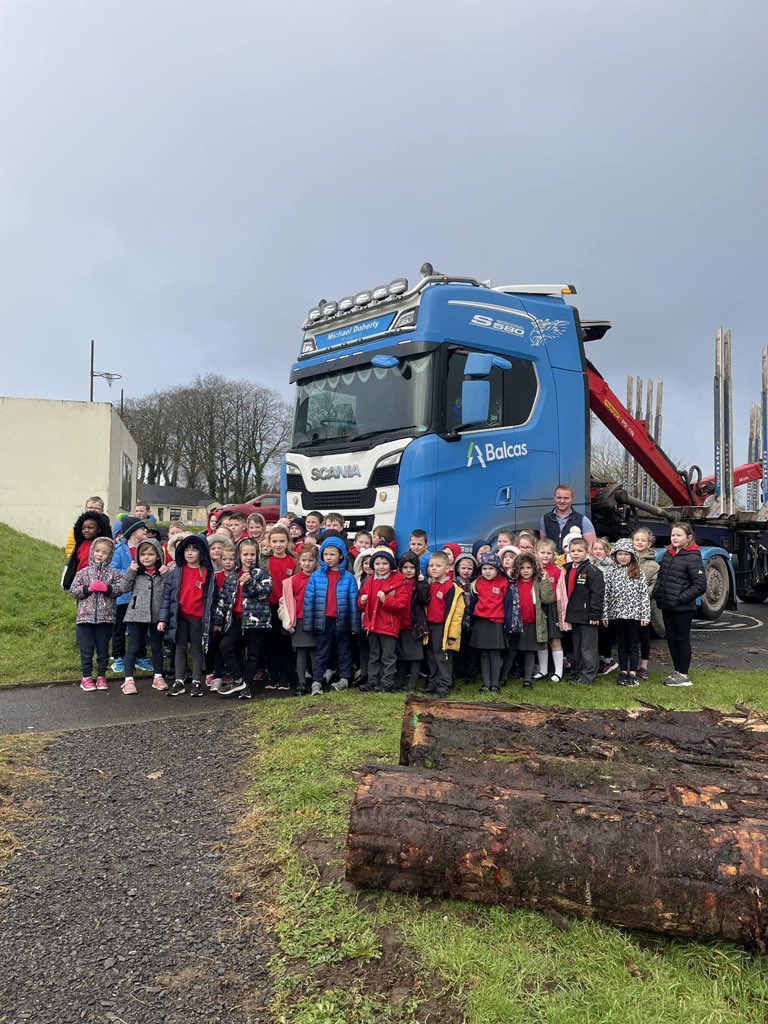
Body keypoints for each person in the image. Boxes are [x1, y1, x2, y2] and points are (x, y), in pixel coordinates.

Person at [158, 534, 216, 697]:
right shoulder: (177, 571)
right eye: (187, 550)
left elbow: (212, 598)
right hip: (180, 616)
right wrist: (163, 618)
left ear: (201, 552)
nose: (190, 553)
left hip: (198, 618)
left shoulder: (207, 573)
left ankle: (197, 681)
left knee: (197, 649)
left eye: (194, 550)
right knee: (180, 647)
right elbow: (168, 596)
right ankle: (179, 681)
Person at [214, 539, 273, 699]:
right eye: (245, 554)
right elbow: (223, 599)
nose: (249, 557)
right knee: (226, 646)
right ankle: (238, 679)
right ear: (239, 556)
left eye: (252, 554)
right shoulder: (233, 575)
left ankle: (246, 685)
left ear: (257, 555)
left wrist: (250, 582)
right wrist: (218, 621)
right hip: (236, 619)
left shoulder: (263, 573)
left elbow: (264, 593)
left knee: (253, 654)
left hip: (256, 621)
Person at [302, 536, 360, 695]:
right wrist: (309, 623)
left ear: (341, 555)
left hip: (342, 620)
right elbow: (309, 601)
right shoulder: (316, 576)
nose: (328, 557)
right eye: (325, 554)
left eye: (332, 554)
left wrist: (355, 625)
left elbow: (354, 603)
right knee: (322, 651)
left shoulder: (349, 577)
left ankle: (345, 678)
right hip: (323, 620)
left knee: (343, 650)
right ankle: (317, 680)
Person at [652, 524, 706, 687]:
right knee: (671, 639)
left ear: (688, 538)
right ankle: (677, 671)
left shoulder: (693, 557)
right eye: (673, 535)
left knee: (682, 639)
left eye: (679, 535)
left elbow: (700, 585)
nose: (674, 538)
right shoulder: (668, 554)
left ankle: (684, 675)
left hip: (683, 608)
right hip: (667, 606)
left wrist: (681, 598)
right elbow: (661, 577)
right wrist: (657, 592)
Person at [114, 538, 170, 694]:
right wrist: (130, 570)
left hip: (157, 615)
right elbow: (123, 588)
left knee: (157, 646)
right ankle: (128, 680)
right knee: (133, 646)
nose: (146, 557)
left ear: (158, 556)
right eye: (143, 554)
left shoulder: (162, 573)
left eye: (151, 554)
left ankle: (158, 676)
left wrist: (166, 574)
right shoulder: (136, 572)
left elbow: (171, 589)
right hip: (136, 614)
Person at [69, 536, 123, 691]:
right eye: (97, 551)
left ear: (110, 555)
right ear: (92, 551)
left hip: (106, 619)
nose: (100, 555)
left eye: (104, 552)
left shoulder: (114, 573)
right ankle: (86, 677)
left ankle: (101, 676)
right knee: (86, 650)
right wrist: (87, 589)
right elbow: (74, 590)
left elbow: (120, 589)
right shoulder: (83, 572)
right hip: (85, 618)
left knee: (103, 649)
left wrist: (108, 589)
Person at [469, 552, 522, 694]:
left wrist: (510, 624)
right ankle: (486, 684)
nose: (487, 572)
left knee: (494, 654)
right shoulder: (477, 583)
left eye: (490, 569)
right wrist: (470, 622)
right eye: (484, 569)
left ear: (498, 569)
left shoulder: (504, 583)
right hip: (481, 622)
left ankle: (495, 684)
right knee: (484, 654)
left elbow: (510, 605)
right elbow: (472, 605)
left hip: (496, 623)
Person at [358, 548, 408, 692]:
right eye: (378, 563)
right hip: (372, 625)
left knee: (388, 656)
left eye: (384, 563)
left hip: (388, 625)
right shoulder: (370, 581)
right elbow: (361, 603)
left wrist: (386, 600)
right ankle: (372, 680)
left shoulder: (397, 582)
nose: (381, 566)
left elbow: (401, 604)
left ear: (390, 565)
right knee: (374, 655)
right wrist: (362, 601)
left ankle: (387, 681)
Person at [604, 539, 651, 687]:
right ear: (615, 555)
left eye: (626, 554)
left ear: (632, 555)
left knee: (632, 644)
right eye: (620, 554)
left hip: (634, 614)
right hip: (616, 614)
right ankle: (623, 671)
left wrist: (645, 615)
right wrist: (605, 614)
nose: (623, 557)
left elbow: (644, 595)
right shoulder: (610, 572)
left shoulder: (638, 572)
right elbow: (606, 594)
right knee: (621, 644)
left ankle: (633, 673)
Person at [110, 517, 152, 674]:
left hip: (140, 597)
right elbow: (113, 571)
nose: (146, 531)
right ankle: (118, 657)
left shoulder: (146, 549)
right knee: (120, 628)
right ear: (134, 531)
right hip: (122, 597)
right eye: (143, 528)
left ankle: (140, 657)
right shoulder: (120, 550)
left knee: (140, 628)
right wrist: (131, 572)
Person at [423, 551, 466, 699]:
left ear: (447, 569)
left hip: (444, 627)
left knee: (443, 657)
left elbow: (456, 615)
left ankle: (444, 685)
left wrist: (452, 635)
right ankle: (433, 682)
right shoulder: (430, 585)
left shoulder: (451, 588)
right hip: (431, 626)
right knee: (432, 656)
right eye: (431, 566)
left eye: (438, 566)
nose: (434, 568)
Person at [563, 538, 605, 684]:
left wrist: (595, 614)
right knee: (577, 647)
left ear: (587, 552)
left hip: (588, 616)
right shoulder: (567, 568)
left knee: (588, 647)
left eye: (579, 551)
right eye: (573, 551)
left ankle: (588, 675)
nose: (575, 554)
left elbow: (597, 594)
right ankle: (578, 671)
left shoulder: (592, 571)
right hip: (574, 615)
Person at [262, 525, 297, 689]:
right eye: (274, 541)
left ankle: (285, 676)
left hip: (286, 608)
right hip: (269, 607)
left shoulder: (293, 561)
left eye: (282, 541)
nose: (278, 544)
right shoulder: (265, 561)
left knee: (285, 643)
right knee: (271, 642)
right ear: (269, 542)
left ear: (288, 542)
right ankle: (272, 675)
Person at [512, 553, 555, 689]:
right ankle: (502, 677)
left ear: (534, 568)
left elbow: (548, 599)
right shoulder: (513, 583)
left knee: (530, 651)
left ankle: (527, 679)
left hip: (532, 621)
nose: (525, 571)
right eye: (522, 568)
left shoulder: (537, 582)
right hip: (516, 623)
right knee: (511, 651)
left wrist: (545, 581)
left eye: (529, 567)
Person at [280, 546, 319, 696]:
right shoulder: (293, 581)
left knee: (315, 652)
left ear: (316, 562)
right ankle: (301, 682)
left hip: (316, 620)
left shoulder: (320, 578)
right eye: (304, 560)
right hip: (300, 619)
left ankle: (317, 681)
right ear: (299, 561)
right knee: (301, 652)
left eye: (310, 560)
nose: (307, 563)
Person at [395, 552, 430, 692]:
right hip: (400, 624)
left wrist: (421, 583)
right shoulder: (397, 583)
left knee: (415, 656)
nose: (408, 570)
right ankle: (400, 681)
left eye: (411, 567)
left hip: (415, 625)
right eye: (405, 567)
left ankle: (412, 684)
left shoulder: (420, 583)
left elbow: (424, 599)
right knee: (401, 655)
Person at [536, 539, 567, 682]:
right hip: (538, 608)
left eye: (549, 553)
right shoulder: (532, 569)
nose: (545, 556)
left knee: (554, 640)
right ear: (536, 553)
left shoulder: (557, 571)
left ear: (554, 555)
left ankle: (558, 672)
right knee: (541, 640)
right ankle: (543, 671)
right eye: (542, 552)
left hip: (552, 608)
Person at [633, 527, 660, 679]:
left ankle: (644, 666)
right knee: (630, 637)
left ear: (649, 544)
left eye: (643, 540)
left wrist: (641, 595)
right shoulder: (626, 559)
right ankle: (631, 665)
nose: (640, 542)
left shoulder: (654, 565)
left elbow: (654, 585)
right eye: (637, 540)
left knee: (644, 637)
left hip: (643, 606)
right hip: (627, 606)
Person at [62, 510, 113, 590]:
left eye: (90, 528)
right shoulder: (81, 544)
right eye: (84, 528)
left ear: (99, 529)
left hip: (100, 582)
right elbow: (74, 564)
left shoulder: (103, 545)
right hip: (82, 582)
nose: (86, 530)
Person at [539, 484, 597, 554]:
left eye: (566, 498)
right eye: (559, 497)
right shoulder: (545, 519)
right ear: (554, 498)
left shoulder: (583, 520)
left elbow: (591, 546)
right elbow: (543, 544)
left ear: (572, 499)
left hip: (574, 563)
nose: (562, 501)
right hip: (553, 563)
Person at [591, 537, 618, 676]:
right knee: (597, 632)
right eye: (595, 549)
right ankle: (600, 658)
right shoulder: (590, 564)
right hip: (594, 602)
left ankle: (608, 659)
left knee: (605, 631)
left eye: (601, 549)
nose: (598, 551)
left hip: (606, 602)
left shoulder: (610, 566)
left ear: (607, 551)